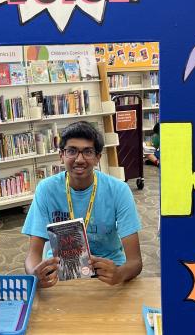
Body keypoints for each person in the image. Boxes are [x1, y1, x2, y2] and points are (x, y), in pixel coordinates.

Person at [22, 121, 143, 288]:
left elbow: (135, 261)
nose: (79, 159)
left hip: (108, 273)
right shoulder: (46, 189)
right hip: (61, 272)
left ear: (98, 157)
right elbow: (33, 255)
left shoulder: (118, 190)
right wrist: (35, 275)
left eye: (88, 152)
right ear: (61, 155)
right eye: (71, 151)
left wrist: (120, 274)